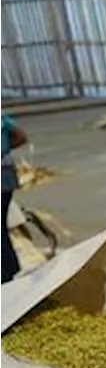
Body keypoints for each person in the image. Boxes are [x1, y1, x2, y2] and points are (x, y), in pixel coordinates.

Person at [0, 109, 27, 284]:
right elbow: (21, 136)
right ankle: (10, 269)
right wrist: (4, 149)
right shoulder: (2, 118)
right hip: (7, 174)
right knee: (2, 225)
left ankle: (5, 273)